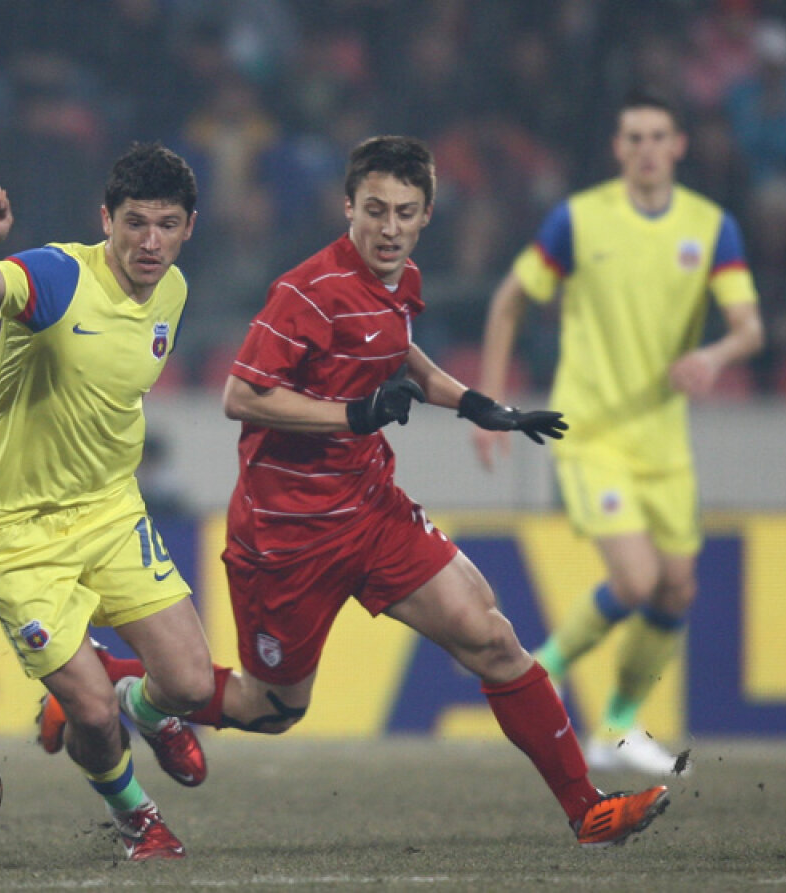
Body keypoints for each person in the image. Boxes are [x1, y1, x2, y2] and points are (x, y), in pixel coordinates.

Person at [43, 134, 672, 849]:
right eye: (374, 209)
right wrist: (351, 415)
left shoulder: (399, 279)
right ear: (349, 207)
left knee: (492, 637)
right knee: (273, 707)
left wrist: (473, 404)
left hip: (373, 510)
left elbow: (393, 347)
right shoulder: (305, 291)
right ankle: (126, 689)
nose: (390, 226)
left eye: (406, 211)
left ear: (427, 213)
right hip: (287, 537)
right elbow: (241, 395)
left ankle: (588, 811)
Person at [0, 142, 214, 862]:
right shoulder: (55, 275)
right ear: (105, 219)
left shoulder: (172, 293)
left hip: (110, 510)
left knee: (189, 682)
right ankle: (136, 816)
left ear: (189, 228)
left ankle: (141, 706)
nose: (150, 242)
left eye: (167, 225)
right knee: (85, 707)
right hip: (15, 527)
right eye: (135, 223)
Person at [473, 89, 764, 774]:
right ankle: (531, 673)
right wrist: (488, 404)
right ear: (617, 147)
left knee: (676, 588)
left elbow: (749, 327)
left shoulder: (710, 227)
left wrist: (712, 356)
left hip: (664, 442)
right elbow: (509, 301)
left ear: (679, 145)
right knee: (635, 577)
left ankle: (620, 726)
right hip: (591, 429)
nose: (646, 149)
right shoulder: (579, 220)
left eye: (659, 136)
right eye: (633, 137)